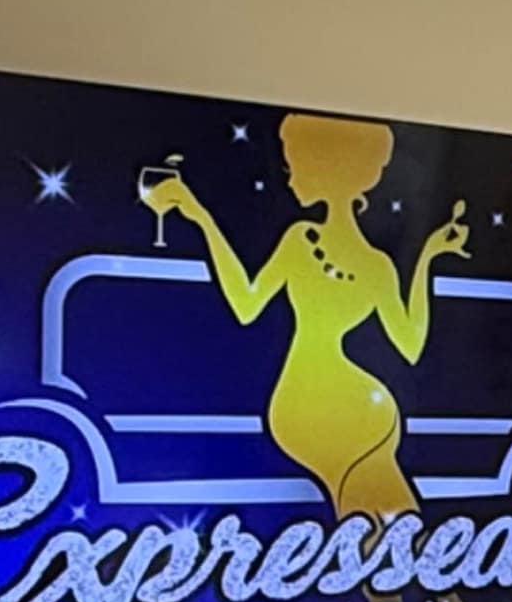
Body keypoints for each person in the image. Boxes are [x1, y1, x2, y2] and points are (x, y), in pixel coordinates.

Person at [140, 114, 467, 522]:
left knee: (381, 527)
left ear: (323, 172)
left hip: (332, 408)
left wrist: (200, 216)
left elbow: (246, 303)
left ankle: (415, 582)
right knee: (388, 528)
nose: (289, 179)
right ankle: (424, 582)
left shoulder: (312, 244)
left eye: (292, 167)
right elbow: (411, 343)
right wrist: (427, 259)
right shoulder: (371, 263)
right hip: (327, 410)